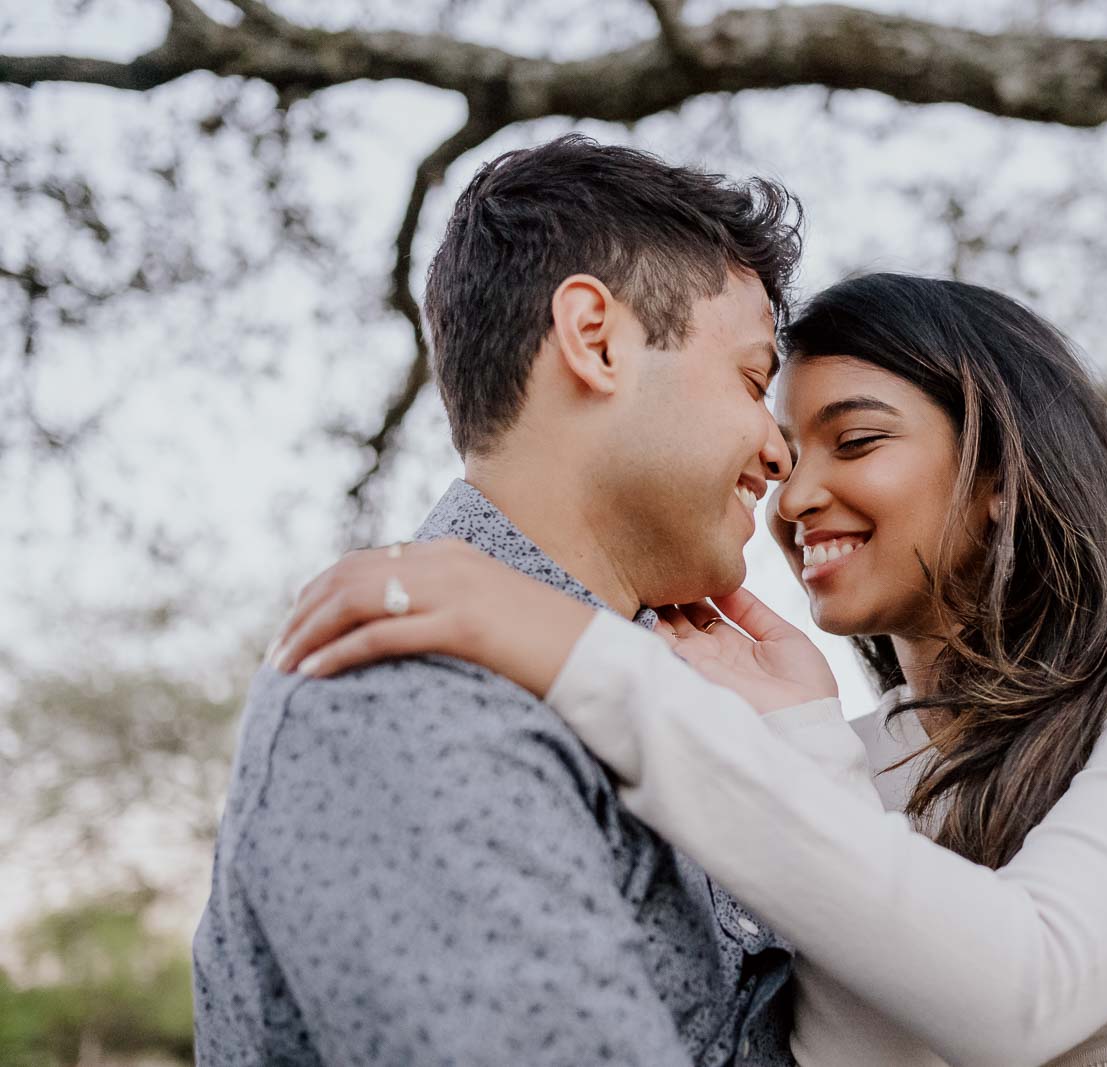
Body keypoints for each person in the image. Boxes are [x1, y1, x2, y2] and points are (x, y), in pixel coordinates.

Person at [272, 271, 1107, 1064]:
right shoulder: (841, 757)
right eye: (788, 452)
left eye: (854, 443)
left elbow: (1023, 987)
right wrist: (801, 734)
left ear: (1002, 466)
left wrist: (586, 656)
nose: (794, 496)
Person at [192, 135, 809, 1065]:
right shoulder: (404, 695)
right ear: (595, 339)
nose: (779, 450)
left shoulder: (677, 698)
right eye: (753, 380)